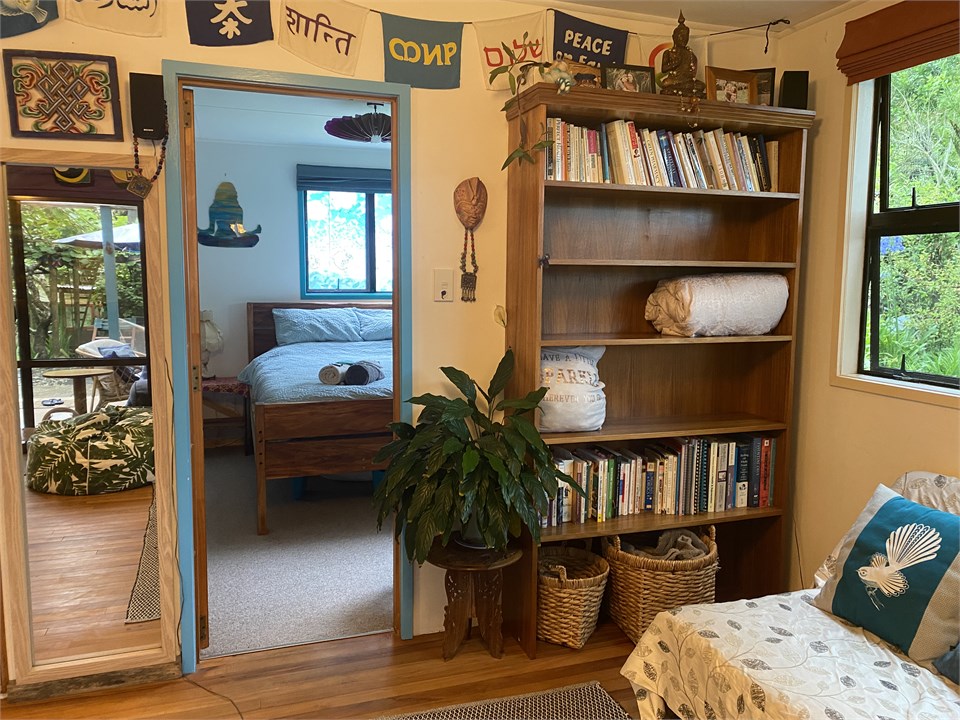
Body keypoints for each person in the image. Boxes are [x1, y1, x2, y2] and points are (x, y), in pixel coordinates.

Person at [659, 12, 706, 99]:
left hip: (686, 81)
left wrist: (688, 75)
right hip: (673, 80)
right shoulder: (668, 52)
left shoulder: (690, 54)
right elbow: (664, 69)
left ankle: (683, 91)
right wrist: (675, 64)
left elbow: (693, 74)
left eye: (686, 36)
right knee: (665, 83)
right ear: (674, 37)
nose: (683, 39)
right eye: (681, 36)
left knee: (701, 86)